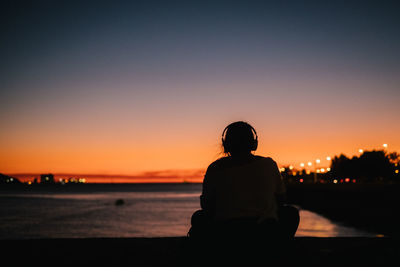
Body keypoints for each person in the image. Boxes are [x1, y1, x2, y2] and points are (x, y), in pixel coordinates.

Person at [188, 121, 299, 249]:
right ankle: (279, 251)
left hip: (225, 233)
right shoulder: (269, 164)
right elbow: (281, 199)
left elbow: (206, 206)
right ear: (254, 143)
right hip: (265, 231)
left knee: (199, 217)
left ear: (225, 144)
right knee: (290, 212)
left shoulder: (215, 168)